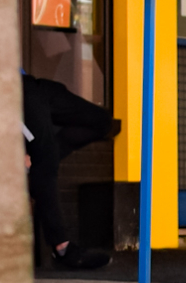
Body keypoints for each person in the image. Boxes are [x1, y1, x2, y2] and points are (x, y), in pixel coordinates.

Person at [23, 71, 119, 271]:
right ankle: (62, 248)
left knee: (101, 121)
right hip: (11, 93)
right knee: (45, 162)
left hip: (34, 84)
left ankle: (41, 166)